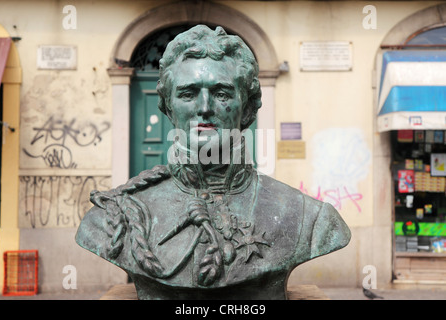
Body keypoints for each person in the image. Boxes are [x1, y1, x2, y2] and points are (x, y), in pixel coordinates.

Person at [75, 25, 351, 300]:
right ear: (168, 107)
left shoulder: (308, 217)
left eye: (222, 94)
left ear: (248, 107)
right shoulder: (113, 214)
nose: (204, 107)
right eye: (187, 93)